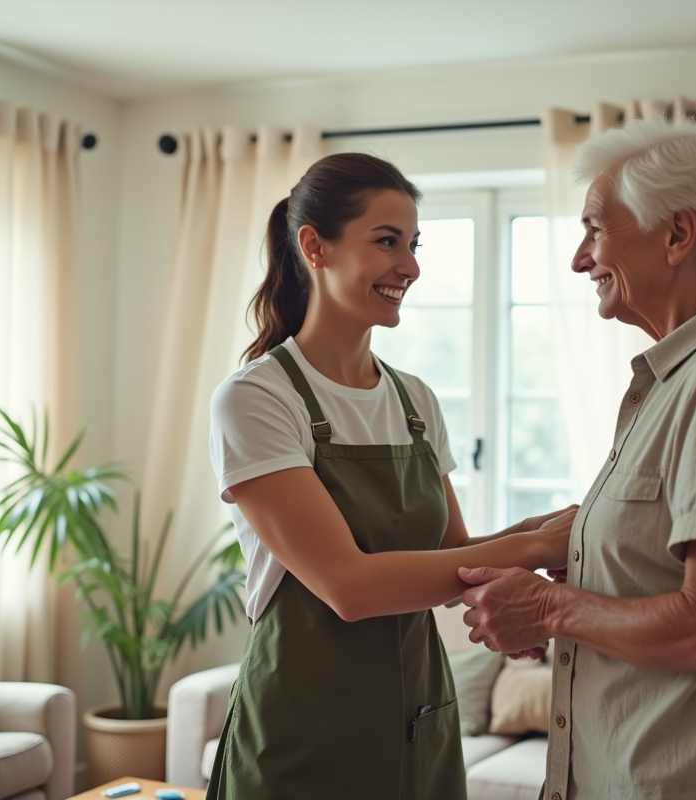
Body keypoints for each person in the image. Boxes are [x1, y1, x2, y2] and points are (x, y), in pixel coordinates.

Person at [459, 120, 696, 800]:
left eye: (595, 228)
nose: (578, 258)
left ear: (677, 234)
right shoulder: (678, 383)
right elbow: (651, 571)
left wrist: (546, 609)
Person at [206, 152, 575, 800]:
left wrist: (557, 526)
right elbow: (348, 586)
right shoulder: (257, 399)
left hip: (419, 723)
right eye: (387, 242)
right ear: (314, 247)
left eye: (413, 243)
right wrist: (537, 546)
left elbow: (451, 558)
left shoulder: (414, 402)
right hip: (303, 738)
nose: (410, 266)